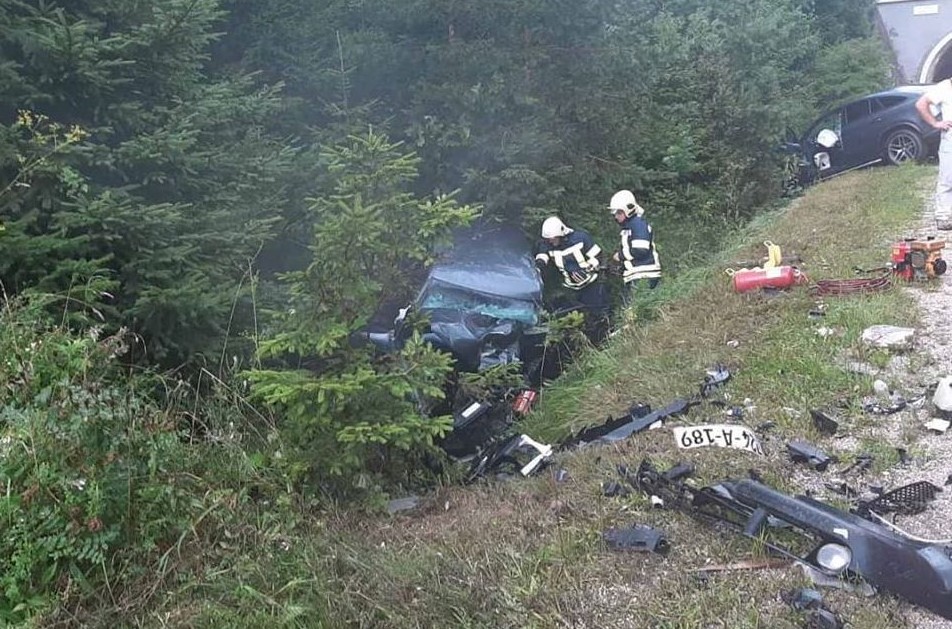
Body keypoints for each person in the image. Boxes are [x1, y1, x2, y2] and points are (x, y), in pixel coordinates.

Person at [534, 216, 610, 340]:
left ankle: (604, 340)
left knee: (599, 316)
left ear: (561, 234)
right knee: (577, 322)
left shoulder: (581, 238)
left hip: (592, 286)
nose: (550, 242)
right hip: (571, 290)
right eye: (548, 240)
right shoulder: (548, 245)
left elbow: (600, 257)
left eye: (553, 239)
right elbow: (542, 256)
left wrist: (588, 269)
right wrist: (539, 265)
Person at [608, 190, 661, 306]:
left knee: (639, 311)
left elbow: (640, 250)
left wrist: (620, 256)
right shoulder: (629, 227)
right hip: (636, 274)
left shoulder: (637, 224)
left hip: (644, 275)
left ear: (628, 210)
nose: (616, 217)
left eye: (618, 213)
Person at [916, 77, 952, 230]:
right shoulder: (944, 87)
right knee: (947, 178)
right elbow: (920, 104)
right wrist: (935, 123)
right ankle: (943, 216)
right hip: (950, 138)